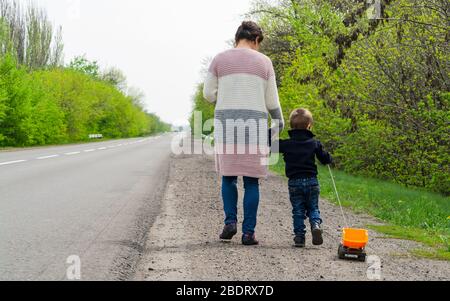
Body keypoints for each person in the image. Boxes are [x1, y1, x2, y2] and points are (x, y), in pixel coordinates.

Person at [203, 21, 284, 246]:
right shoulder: (264, 62)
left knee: (228, 177)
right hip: (255, 126)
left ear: (237, 38)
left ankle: (230, 222)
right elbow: (271, 100)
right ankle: (248, 233)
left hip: (227, 125)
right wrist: (280, 121)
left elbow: (208, 94)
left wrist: (226, 95)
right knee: (251, 182)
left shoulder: (219, 59)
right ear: (256, 40)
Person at [273, 109, 332, 248]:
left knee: (298, 210)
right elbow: (325, 159)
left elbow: (271, 146)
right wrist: (328, 157)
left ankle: (299, 237)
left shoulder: (287, 144)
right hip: (312, 181)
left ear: (291, 126)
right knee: (313, 207)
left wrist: (273, 132)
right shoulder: (314, 143)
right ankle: (315, 223)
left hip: (294, 183)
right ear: (309, 125)